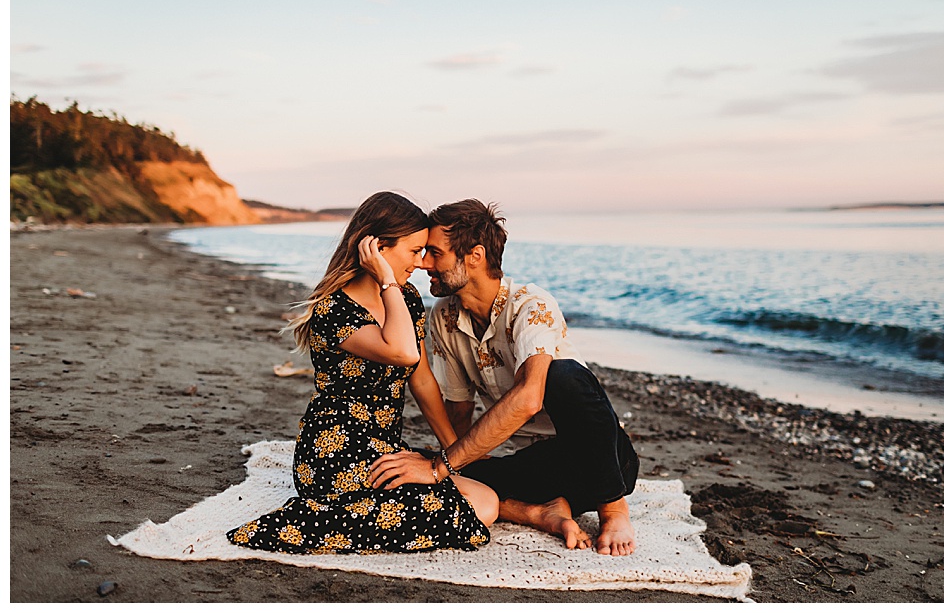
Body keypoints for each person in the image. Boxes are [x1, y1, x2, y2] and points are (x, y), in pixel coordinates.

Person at [227, 192, 497, 555]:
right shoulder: (334, 308)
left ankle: (333, 518)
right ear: (377, 248)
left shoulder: (407, 299)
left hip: (382, 446)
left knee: (480, 495)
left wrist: (453, 453)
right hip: (332, 451)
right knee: (477, 508)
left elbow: (421, 379)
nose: (420, 264)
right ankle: (300, 523)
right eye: (413, 251)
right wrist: (386, 280)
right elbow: (402, 353)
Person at [368, 199, 639, 556]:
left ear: (475, 256)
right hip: (537, 467)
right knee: (402, 466)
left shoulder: (531, 305)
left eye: (434, 253)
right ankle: (540, 511)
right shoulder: (444, 316)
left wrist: (440, 468)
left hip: (601, 459)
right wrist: (455, 469)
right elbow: (458, 407)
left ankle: (614, 509)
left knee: (562, 376)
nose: (423, 263)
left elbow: (530, 398)